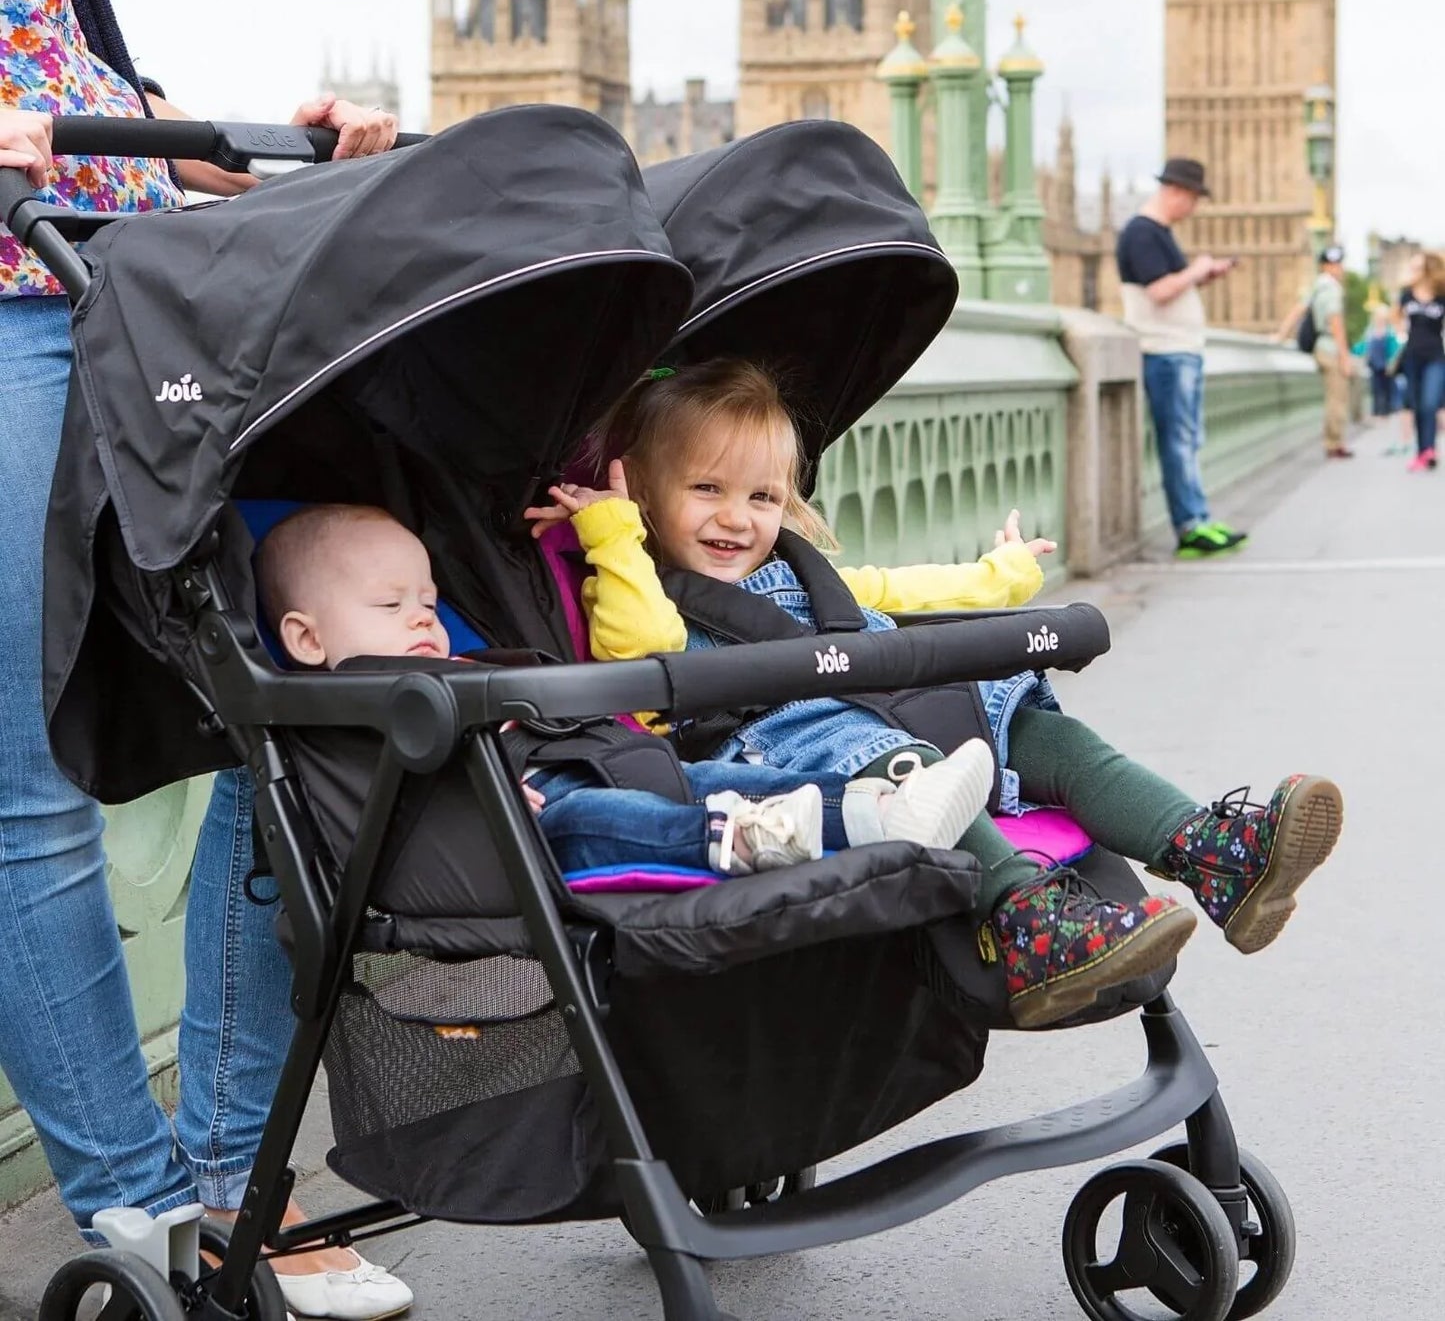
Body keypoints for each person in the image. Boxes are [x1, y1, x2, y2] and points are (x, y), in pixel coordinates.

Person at [0, 0, 409, 1317]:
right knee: (30, 786)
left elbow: (55, 50)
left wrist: (234, 151)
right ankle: (138, 1205)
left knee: (278, 708)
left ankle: (239, 1177)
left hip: (121, 267)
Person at [527, 360, 1344, 1029]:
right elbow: (639, 648)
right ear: (643, 493)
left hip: (896, 699)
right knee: (900, 764)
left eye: (762, 497)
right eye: (706, 490)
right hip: (791, 742)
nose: (735, 518)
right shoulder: (645, 588)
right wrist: (612, 533)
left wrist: (1000, 575)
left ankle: (1207, 850)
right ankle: (1024, 921)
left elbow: (905, 589)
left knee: (1036, 728)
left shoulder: (804, 574)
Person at [255, 503, 996, 877]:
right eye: (391, 607)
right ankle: (745, 836)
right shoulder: (350, 701)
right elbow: (371, 793)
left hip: (614, 756)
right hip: (527, 825)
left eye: (427, 598)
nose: (421, 615)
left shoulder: (469, 660)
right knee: (616, 816)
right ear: (306, 640)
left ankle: (882, 804)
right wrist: (464, 787)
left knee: (732, 777)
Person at [1115, 157, 1248, 558]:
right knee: (1178, 442)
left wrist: (1204, 275)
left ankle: (1200, 516)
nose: (1193, 208)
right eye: (1192, 198)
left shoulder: (1159, 233)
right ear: (1176, 191)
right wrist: (1197, 269)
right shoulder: (1141, 233)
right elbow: (1158, 290)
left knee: (1188, 440)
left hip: (1181, 350)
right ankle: (1190, 525)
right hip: (1165, 352)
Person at [1392, 250, 1445, 471]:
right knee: (1416, 405)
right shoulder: (1407, 293)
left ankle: (1430, 449)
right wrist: (1401, 333)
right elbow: (1395, 315)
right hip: (1412, 356)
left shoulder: (1442, 295)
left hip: (1435, 356)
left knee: (1430, 403)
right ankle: (1422, 452)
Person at [1308, 244, 1354, 459]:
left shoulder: (1316, 286)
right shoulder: (1332, 288)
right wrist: (1345, 356)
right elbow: (1335, 321)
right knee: (1337, 398)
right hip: (1330, 347)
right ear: (1326, 266)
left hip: (1319, 346)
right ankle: (1334, 443)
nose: (1340, 269)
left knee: (1332, 397)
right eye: (1336, 264)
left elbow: (1300, 309)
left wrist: (1280, 335)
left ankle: (1333, 441)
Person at [1351, 304, 1402, 437]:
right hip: (1374, 366)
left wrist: (1392, 363)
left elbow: (1395, 349)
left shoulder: (1389, 332)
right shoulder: (1370, 332)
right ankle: (1378, 413)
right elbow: (1362, 347)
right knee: (1376, 390)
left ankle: (1386, 413)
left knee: (1387, 390)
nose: (1379, 320)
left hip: (1387, 367)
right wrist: (1353, 352)